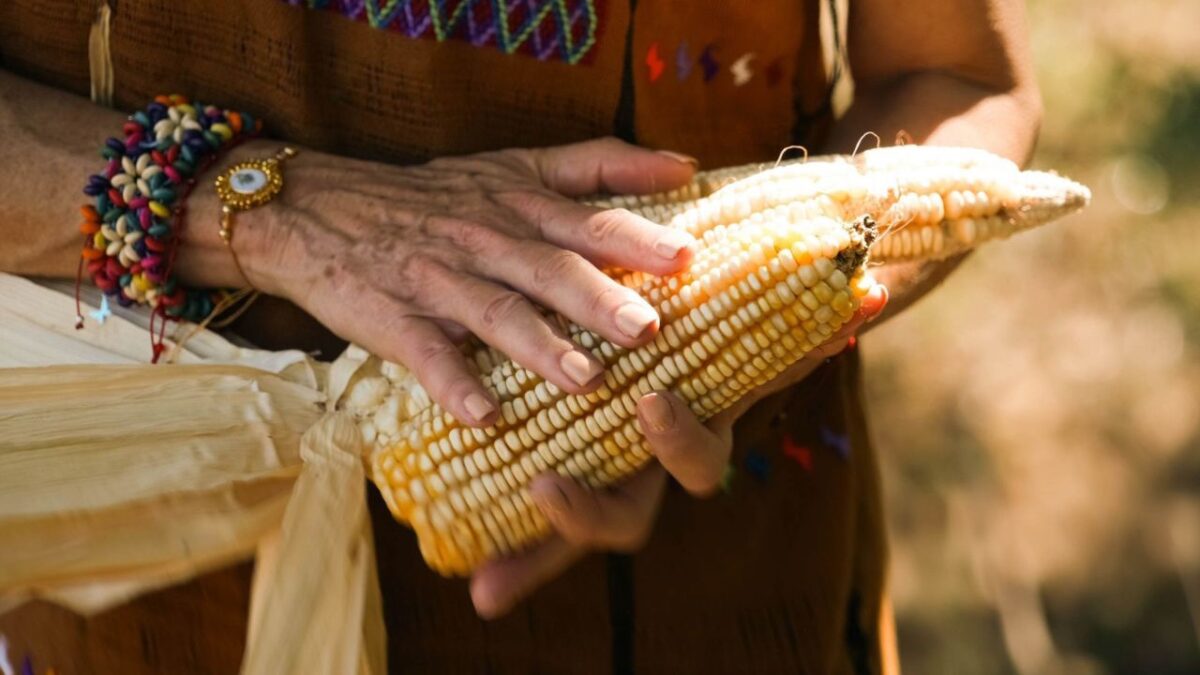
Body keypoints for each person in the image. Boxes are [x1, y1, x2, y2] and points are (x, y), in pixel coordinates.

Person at [0, 0, 1040, 672]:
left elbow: (960, 75)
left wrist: (733, 336)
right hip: (119, 567)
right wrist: (265, 213)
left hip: (685, 565)